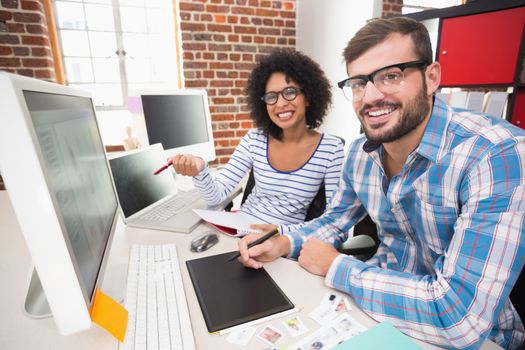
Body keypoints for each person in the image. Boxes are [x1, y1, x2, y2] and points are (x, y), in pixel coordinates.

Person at [238, 17, 525, 349]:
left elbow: (458, 320)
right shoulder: (359, 153)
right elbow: (335, 220)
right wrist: (285, 243)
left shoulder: (494, 155)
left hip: (468, 337)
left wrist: (335, 265)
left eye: (391, 76)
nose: (370, 96)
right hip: (374, 308)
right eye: (359, 83)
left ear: (432, 78)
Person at [169, 49, 345, 230]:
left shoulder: (331, 149)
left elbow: (334, 222)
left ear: (308, 97)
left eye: (290, 92)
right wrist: (200, 171)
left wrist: (280, 233)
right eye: (271, 96)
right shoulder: (255, 139)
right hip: (239, 229)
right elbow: (216, 196)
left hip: (285, 242)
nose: (280, 103)